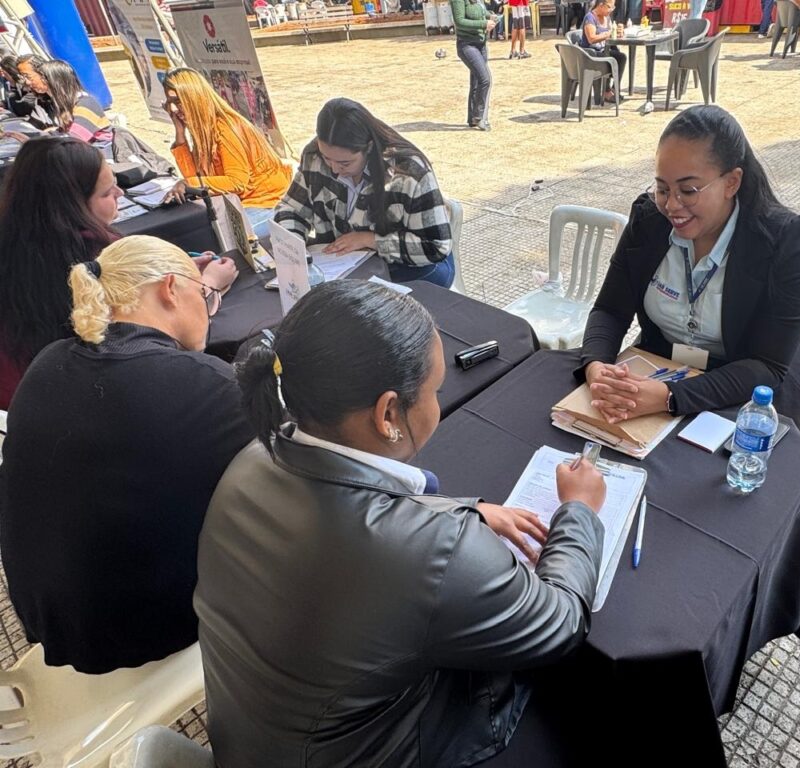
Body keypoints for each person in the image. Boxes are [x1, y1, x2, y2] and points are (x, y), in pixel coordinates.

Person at [195, 280, 606, 767]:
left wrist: (460, 510)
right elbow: (558, 623)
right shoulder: (433, 551)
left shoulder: (254, 458)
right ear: (389, 413)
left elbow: (351, 525)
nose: (437, 401)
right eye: (434, 390)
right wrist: (579, 510)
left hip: (257, 741)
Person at [0, 235, 253, 674]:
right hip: (139, 632)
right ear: (170, 289)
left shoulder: (48, 361)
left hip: (49, 619)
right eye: (206, 295)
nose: (209, 311)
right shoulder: (203, 383)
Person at [578, 105, 800, 438]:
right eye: (663, 188)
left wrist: (669, 398)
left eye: (689, 190)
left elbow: (766, 365)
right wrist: (597, 368)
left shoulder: (784, 239)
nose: (672, 206)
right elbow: (610, 309)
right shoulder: (649, 221)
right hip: (662, 368)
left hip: (748, 388)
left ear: (732, 182)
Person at [0, 137, 237, 408]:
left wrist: (180, 272)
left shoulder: (15, 243)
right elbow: (171, 331)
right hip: (95, 405)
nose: (120, 193)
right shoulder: (98, 256)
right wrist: (207, 285)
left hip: (22, 408)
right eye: (106, 192)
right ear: (70, 205)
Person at [274, 98, 456, 287]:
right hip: (346, 264)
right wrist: (293, 247)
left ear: (368, 147)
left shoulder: (408, 172)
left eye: (345, 163)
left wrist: (371, 240)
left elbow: (435, 247)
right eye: (327, 158)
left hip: (411, 265)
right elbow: (292, 208)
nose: (335, 169)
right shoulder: (314, 156)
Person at [160, 68, 291, 238]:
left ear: (194, 98)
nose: (172, 109)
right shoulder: (203, 129)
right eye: (168, 103)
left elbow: (236, 182)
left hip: (265, 203)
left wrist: (187, 183)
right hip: (239, 203)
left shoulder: (227, 127)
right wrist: (180, 134)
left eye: (177, 102)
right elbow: (196, 181)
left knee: (221, 238)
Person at [26, 59, 112, 144]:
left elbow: (75, 139)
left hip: (100, 153)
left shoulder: (85, 103)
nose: (28, 82)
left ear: (54, 80)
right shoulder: (64, 104)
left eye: (31, 78)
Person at [452, 0, 497, 131]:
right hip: (466, 44)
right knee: (485, 79)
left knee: (477, 81)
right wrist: (484, 24)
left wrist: (490, 16)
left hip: (481, 43)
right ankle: (479, 117)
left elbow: (480, 11)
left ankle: (472, 118)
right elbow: (459, 21)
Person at [582, 0, 626, 104]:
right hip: (591, 54)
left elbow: (612, 34)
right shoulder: (590, 18)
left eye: (613, 7)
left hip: (604, 50)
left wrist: (618, 32)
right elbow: (591, 38)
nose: (611, 10)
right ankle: (606, 91)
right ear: (601, 5)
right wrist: (608, 34)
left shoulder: (607, 18)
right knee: (610, 59)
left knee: (621, 57)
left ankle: (614, 88)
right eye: (609, 7)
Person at [0, 54, 39, 119]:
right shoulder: (8, 83)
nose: (3, 76)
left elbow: (21, 110)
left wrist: (13, 87)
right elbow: (11, 103)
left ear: (11, 72)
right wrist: (4, 104)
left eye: (4, 73)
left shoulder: (28, 87)